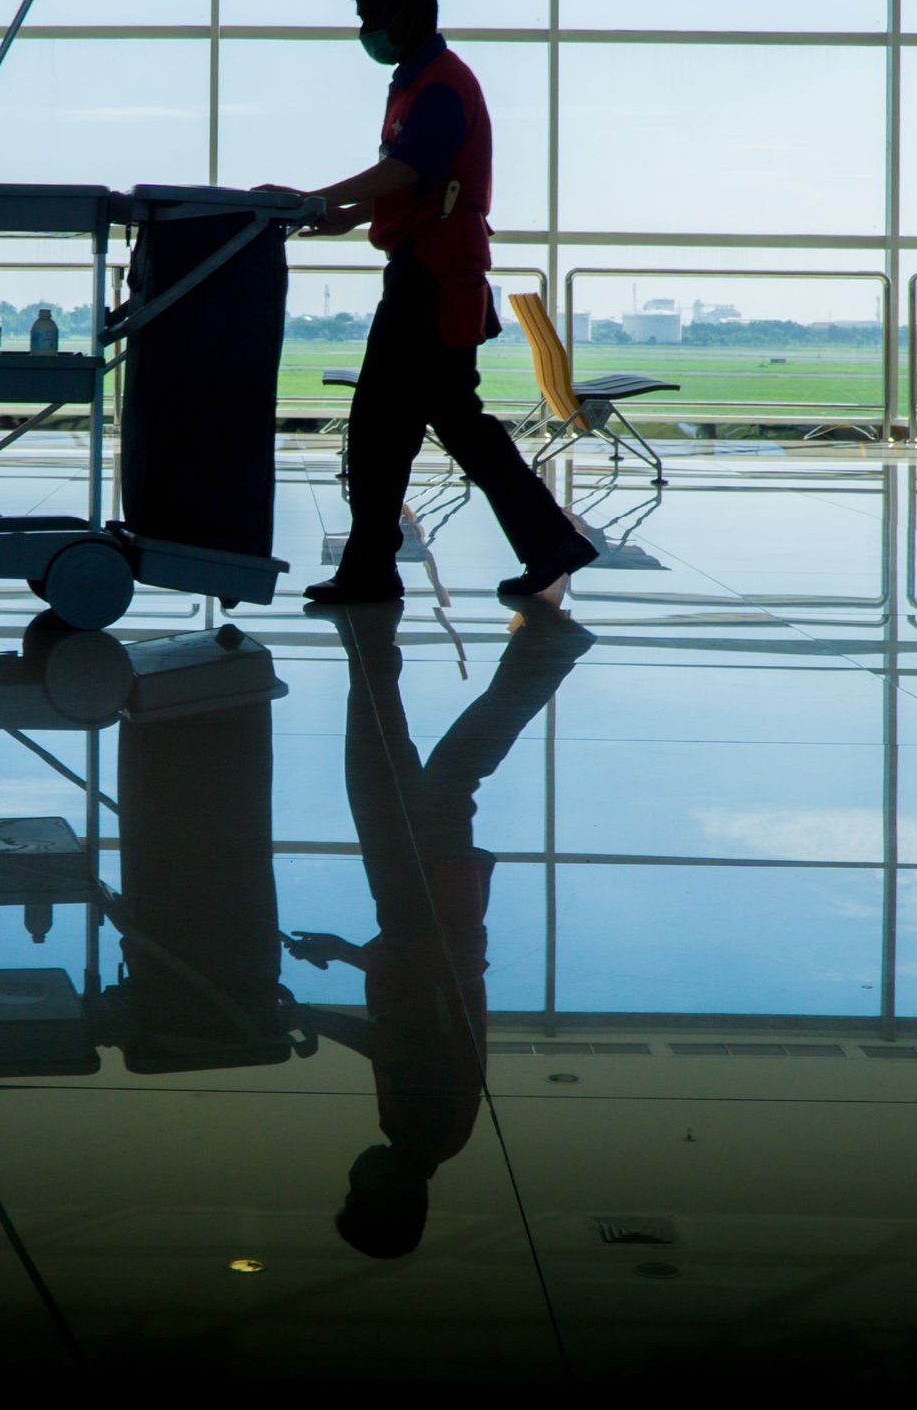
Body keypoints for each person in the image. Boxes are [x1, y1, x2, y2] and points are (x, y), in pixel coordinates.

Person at [264, 0, 598, 605]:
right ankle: (545, 542)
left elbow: (410, 168)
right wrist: (344, 217)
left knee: (384, 426)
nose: (365, 29)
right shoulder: (416, 83)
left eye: (373, 14)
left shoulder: (442, 85)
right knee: (430, 423)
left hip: (433, 273)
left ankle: (379, 566)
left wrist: (314, 200)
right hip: (428, 264)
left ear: (412, 13)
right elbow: (412, 178)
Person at [289, 600, 594, 1257]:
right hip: (422, 912)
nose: (351, 1180)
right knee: (394, 771)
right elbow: (400, 1046)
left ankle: (385, 637)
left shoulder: (430, 1135)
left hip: (427, 921)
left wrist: (343, 955)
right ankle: (377, 633)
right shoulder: (427, 1131)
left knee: (423, 775)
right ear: (389, 1200)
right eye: (355, 1197)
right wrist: (312, 1017)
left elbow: (415, 1019)